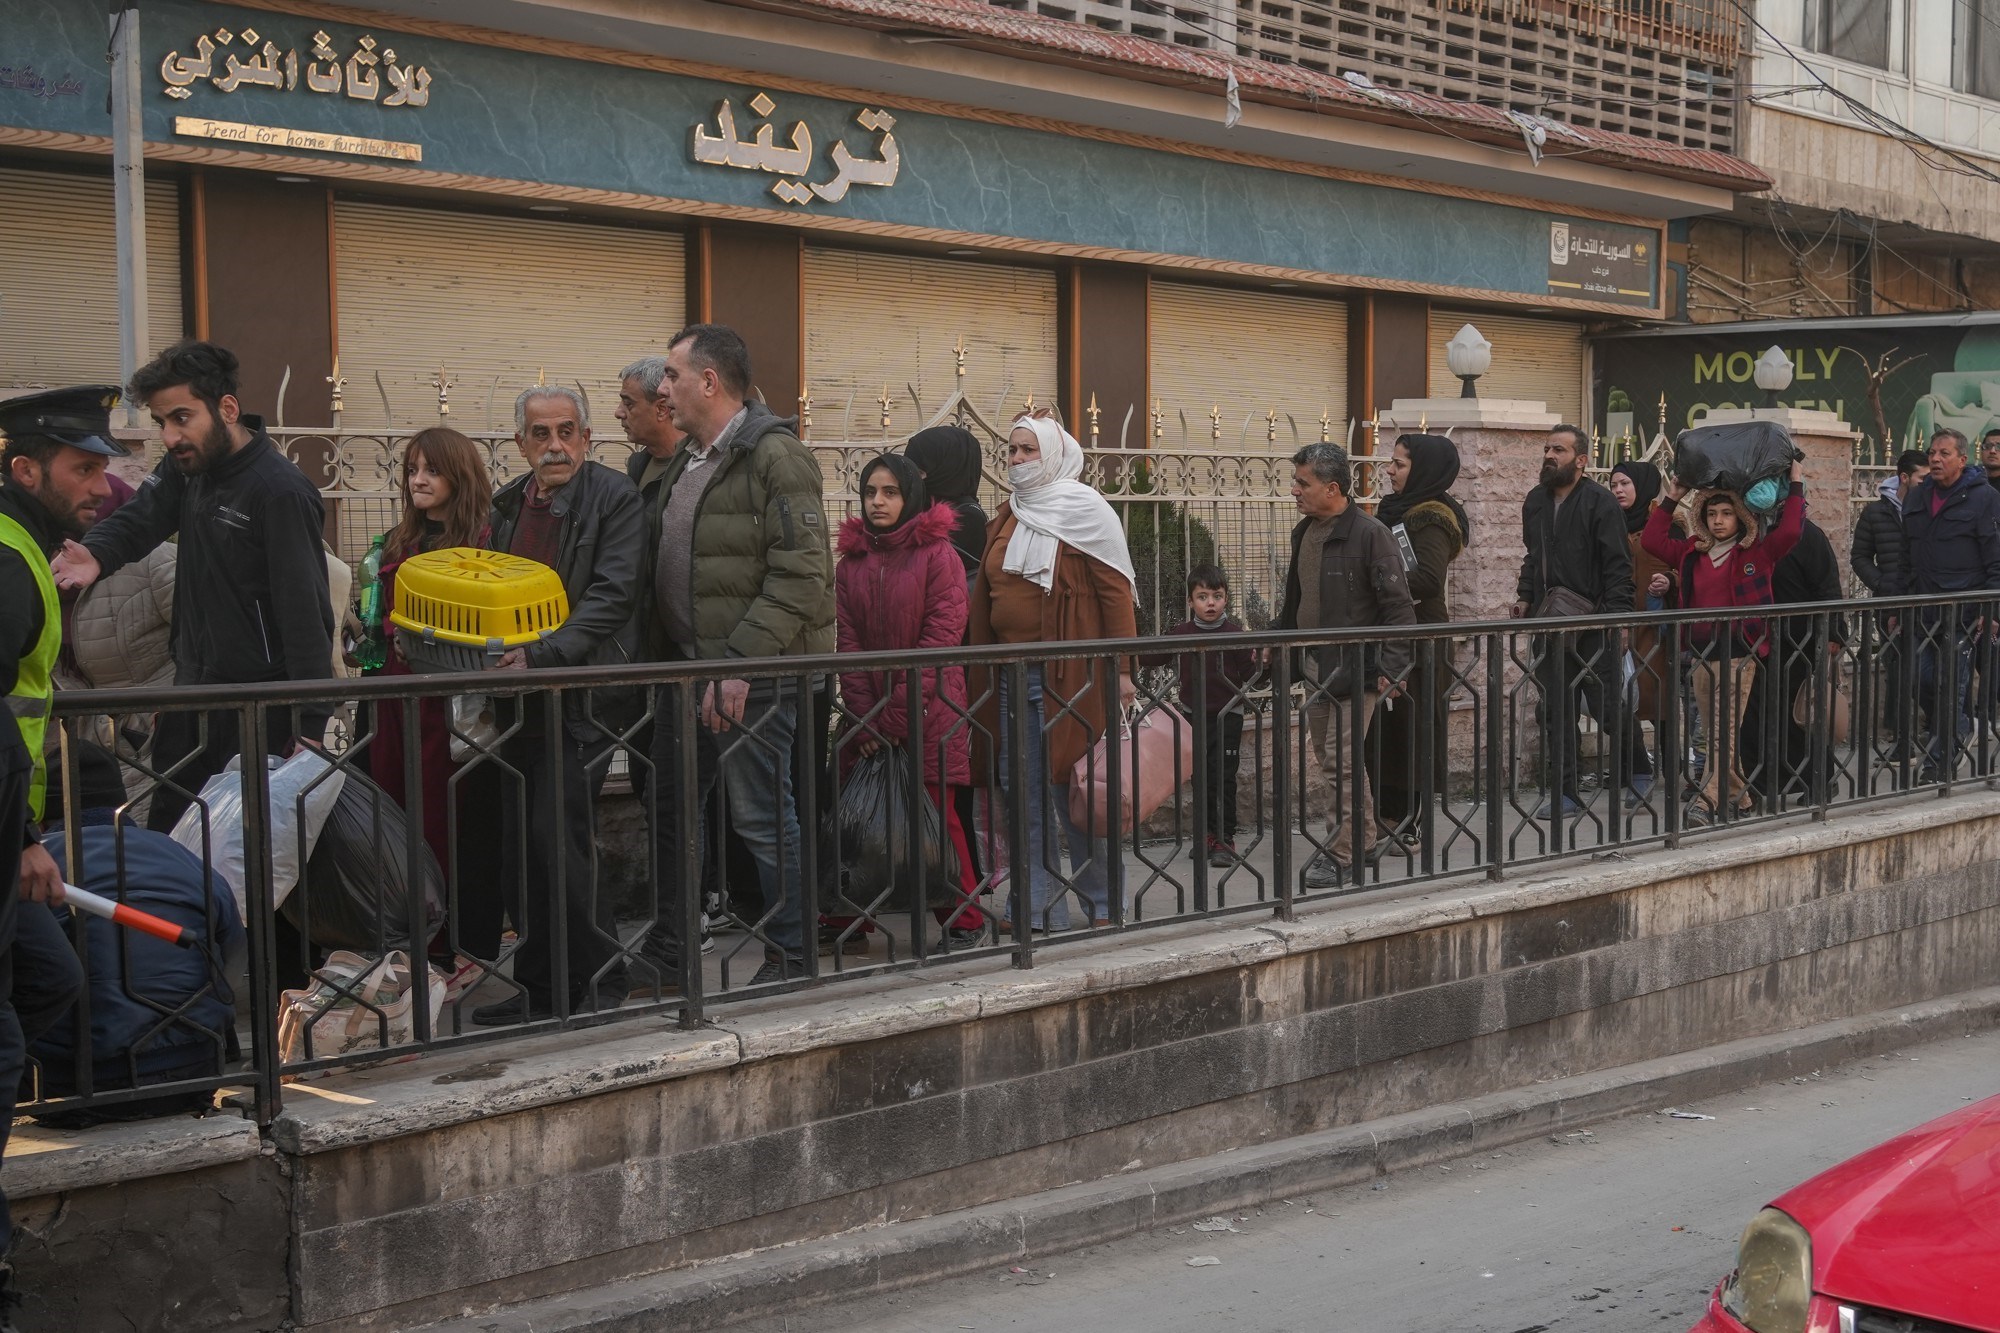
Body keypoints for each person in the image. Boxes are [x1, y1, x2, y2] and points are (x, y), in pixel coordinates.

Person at [51, 341, 334, 833]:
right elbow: (143, 516)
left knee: (245, 854)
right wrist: (95, 554)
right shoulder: (191, 467)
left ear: (227, 408)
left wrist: (309, 726)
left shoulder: (279, 491)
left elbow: (305, 611)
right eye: (162, 422)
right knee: (173, 833)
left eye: (181, 417)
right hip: (192, 693)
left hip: (258, 709)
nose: (170, 436)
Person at [643, 323, 835, 986]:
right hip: (691, 671)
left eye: (670, 375)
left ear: (709, 381)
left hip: (753, 676)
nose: (660, 387)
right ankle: (673, 952)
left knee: (761, 817)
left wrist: (738, 666)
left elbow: (802, 574)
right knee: (675, 812)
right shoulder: (691, 456)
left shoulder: (776, 457)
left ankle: (791, 953)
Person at [472, 386, 646, 1025]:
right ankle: (541, 991)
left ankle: (601, 984)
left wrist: (542, 656)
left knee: (563, 842)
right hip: (520, 698)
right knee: (524, 848)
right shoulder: (510, 503)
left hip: (583, 695)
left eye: (567, 431)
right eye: (541, 434)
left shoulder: (614, 497)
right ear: (520, 443)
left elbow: (612, 595)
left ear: (587, 437)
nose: (555, 445)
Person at [0, 388, 112, 1319]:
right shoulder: (6, 560)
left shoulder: (26, 553)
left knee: (49, 985)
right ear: (26, 469)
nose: (102, 483)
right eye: (82, 468)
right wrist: (23, 841)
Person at [967, 412, 1138, 931]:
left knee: (1077, 795)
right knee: (1022, 798)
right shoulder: (1007, 515)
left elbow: (1116, 595)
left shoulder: (1087, 511)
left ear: (1055, 455)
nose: (1016, 460)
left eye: (1027, 450)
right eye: (1012, 451)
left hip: (1072, 680)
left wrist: (1124, 672)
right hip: (1009, 680)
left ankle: (1104, 908)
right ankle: (1037, 912)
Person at [363, 428, 503, 976]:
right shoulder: (398, 541)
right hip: (392, 698)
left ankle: (448, 945)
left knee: (443, 818)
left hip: (450, 703)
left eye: (432, 470)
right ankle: (401, 936)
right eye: (412, 470)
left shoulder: (485, 542)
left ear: (458, 477)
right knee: (392, 815)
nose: (418, 480)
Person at [832, 453, 984, 949]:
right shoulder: (850, 563)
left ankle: (964, 921)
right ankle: (850, 919)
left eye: (890, 492)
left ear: (910, 497)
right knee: (857, 819)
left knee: (935, 821)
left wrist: (893, 719)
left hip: (930, 710)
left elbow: (939, 642)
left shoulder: (938, 556)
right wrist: (864, 718)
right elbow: (847, 644)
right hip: (869, 717)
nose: (878, 501)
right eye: (871, 492)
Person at [1274, 443, 1416, 888]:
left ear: (1332, 488)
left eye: (1303, 483)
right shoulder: (1305, 532)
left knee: (1342, 760)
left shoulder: (1371, 534)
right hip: (1316, 664)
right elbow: (1296, 599)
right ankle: (1365, 838)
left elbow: (1398, 608)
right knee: (1331, 759)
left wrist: (1393, 669)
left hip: (1358, 669)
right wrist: (1276, 642)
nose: (1294, 490)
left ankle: (1344, 852)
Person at [1643, 460, 1805, 824]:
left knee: (1720, 730)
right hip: (1701, 652)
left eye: (1727, 513)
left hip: (1739, 653)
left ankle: (1705, 800)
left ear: (1741, 518)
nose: (1718, 520)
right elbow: (1653, 540)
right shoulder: (1691, 552)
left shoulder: (1754, 553)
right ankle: (1741, 799)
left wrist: (1795, 484)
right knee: (1718, 730)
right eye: (1712, 513)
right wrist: (1673, 497)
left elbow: (1791, 532)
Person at [1511, 425, 1640, 818]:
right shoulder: (1535, 501)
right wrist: (1525, 596)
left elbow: (1620, 566)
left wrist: (1618, 622)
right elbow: (1534, 557)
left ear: (1581, 461)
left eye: (1560, 450)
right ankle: (1565, 792)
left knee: (1603, 705)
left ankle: (1639, 769)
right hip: (1549, 621)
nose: (1550, 455)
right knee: (1555, 708)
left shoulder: (1600, 503)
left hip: (1594, 620)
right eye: (1548, 448)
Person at [1368, 433, 1467, 837]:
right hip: (1391, 631)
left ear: (1423, 469)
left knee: (1409, 730)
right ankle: (1385, 815)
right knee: (1385, 731)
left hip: (1419, 638)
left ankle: (1406, 820)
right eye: (1391, 462)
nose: (1389, 470)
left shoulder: (1432, 516)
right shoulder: (1395, 509)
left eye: (1400, 464)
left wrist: (1372, 578)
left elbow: (1426, 578)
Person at [1901, 428, 2000, 782]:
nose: (1936, 459)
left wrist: (1990, 612)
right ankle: (1959, 726)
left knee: (1950, 684)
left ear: (1962, 459)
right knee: (1919, 679)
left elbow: (1995, 560)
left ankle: (1938, 764)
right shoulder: (1917, 497)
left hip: (1964, 612)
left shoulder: (1984, 499)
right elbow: (1902, 556)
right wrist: (1896, 605)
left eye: (1944, 453)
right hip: (1922, 609)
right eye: (1932, 452)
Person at [1146, 564, 1257, 870]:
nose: (1210, 603)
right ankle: (1206, 837)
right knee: (1200, 779)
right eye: (1202, 596)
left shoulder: (1235, 635)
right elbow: (1153, 654)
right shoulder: (1182, 633)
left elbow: (1253, 675)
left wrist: (1265, 659)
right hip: (1192, 719)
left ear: (1226, 599)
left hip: (1228, 718)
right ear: (1190, 601)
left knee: (1223, 778)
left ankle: (1225, 840)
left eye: (1217, 596)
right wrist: (1129, 648)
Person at [1747, 503, 1848, 803]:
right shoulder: (1749, 533)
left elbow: (1827, 585)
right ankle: (1760, 785)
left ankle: (1819, 780)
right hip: (1757, 639)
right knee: (1755, 714)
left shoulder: (1808, 535)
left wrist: (1832, 633)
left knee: (1802, 713)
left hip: (1800, 640)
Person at [1852, 450, 1927, 761]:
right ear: (1905, 477)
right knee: (1896, 670)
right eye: (1922, 478)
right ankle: (1902, 740)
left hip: (1927, 600)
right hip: (1891, 602)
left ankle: (1941, 730)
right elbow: (1859, 557)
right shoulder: (1875, 514)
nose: (1928, 483)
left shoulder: (1930, 509)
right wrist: (1883, 585)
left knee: (1929, 670)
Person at [905, 425, 989, 591]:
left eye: (920, 472)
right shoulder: (918, 507)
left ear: (948, 470)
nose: (913, 480)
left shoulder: (967, 518)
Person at [616, 355, 686, 508]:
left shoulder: (694, 469)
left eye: (628, 404)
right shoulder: (638, 464)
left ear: (661, 409)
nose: (618, 413)